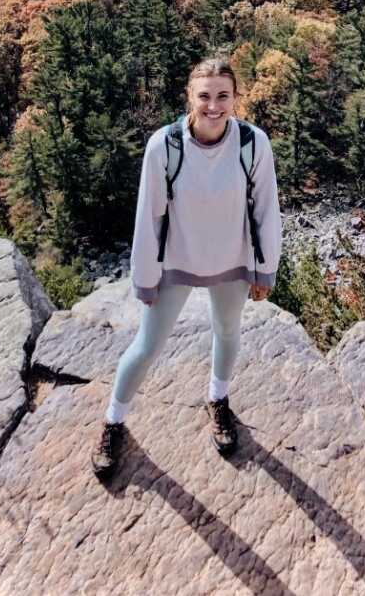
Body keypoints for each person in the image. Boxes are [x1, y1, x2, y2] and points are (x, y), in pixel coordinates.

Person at [91, 56, 282, 478]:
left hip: (232, 260)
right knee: (147, 345)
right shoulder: (165, 145)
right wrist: (144, 277)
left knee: (228, 332)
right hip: (176, 260)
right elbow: (149, 215)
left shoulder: (253, 144)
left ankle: (218, 399)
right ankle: (113, 421)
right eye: (205, 96)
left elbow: (267, 209)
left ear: (235, 98)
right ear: (189, 98)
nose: (214, 106)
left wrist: (264, 268)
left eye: (223, 96)